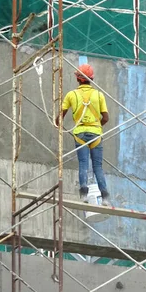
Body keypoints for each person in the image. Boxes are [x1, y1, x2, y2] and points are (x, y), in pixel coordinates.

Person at [56, 64, 111, 206]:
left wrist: (59, 124)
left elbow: (59, 118)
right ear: (90, 79)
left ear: (78, 79)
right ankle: (104, 197)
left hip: (80, 134)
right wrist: (96, 126)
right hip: (96, 134)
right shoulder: (99, 95)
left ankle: (84, 194)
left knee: (83, 164)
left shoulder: (71, 95)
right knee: (98, 166)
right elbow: (105, 118)